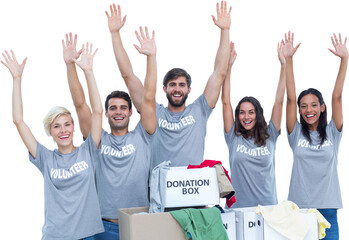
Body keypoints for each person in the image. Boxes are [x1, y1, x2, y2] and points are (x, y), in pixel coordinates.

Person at [106, 2, 231, 169]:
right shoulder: (154, 112)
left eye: (181, 85)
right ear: (164, 89)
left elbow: (219, 74)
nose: (177, 89)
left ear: (189, 90)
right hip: (160, 190)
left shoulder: (200, 109)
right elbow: (128, 76)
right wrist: (115, 34)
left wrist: (225, 31)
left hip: (192, 188)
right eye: (172, 85)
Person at [2, 44, 104, 239]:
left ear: (74, 127)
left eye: (67, 124)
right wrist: (17, 79)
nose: (63, 130)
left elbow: (98, 112)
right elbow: (18, 120)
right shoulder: (45, 158)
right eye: (57, 126)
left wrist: (89, 72)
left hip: (88, 235)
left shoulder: (88, 150)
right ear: (50, 131)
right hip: (56, 235)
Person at [63, 27, 157, 239]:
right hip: (104, 227)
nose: (118, 112)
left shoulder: (143, 135)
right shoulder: (98, 140)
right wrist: (70, 65)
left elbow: (149, 98)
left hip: (140, 224)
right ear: (105, 113)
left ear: (131, 112)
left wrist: (151, 58)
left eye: (123, 108)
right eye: (113, 108)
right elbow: (80, 105)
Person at [283, 31, 347, 239]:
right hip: (299, 211)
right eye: (304, 106)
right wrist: (289, 60)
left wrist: (345, 60)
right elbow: (290, 98)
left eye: (313, 105)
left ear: (321, 108)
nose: (308, 110)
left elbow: (337, 96)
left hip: (328, 210)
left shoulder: (332, 132)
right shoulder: (295, 135)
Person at [221, 40, 286, 208]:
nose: (246, 116)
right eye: (242, 112)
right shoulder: (233, 136)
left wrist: (284, 65)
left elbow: (279, 102)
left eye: (251, 112)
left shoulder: (270, 134)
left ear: (257, 114)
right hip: (238, 211)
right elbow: (226, 102)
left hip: (268, 210)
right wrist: (229, 67)